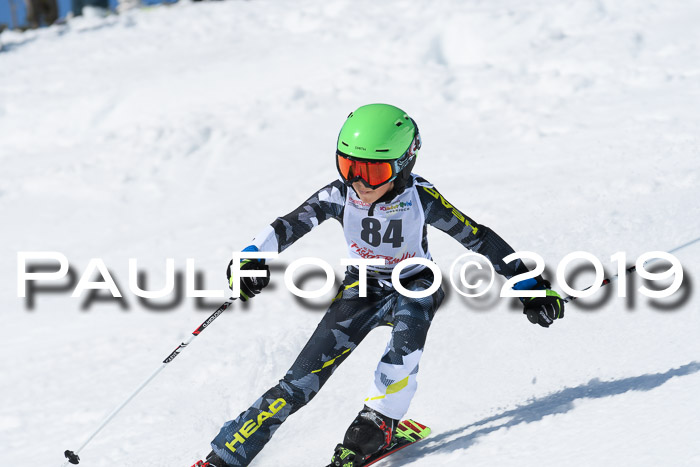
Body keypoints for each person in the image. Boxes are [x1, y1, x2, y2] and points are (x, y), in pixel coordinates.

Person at [192, 103, 565, 467]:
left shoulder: (419, 199)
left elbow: (478, 238)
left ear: (403, 167)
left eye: (372, 172)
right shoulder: (339, 195)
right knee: (297, 384)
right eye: (348, 165)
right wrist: (250, 259)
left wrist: (529, 286)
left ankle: (374, 428)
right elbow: (287, 226)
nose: (357, 181)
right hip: (362, 288)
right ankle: (225, 456)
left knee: (400, 358)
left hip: (416, 285)